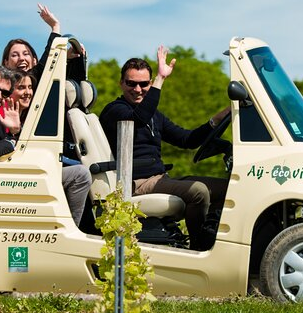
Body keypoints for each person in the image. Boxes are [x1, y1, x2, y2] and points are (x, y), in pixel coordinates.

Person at [99, 46, 230, 251]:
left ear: (148, 84)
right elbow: (138, 119)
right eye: (131, 83)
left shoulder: (154, 115)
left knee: (229, 189)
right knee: (198, 191)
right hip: (135, 183)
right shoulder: (115, 110)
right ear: (121, 83)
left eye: (144, 84)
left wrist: (220, 117)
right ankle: (199, 248)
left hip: (160, 178)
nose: (137, 89)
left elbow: (187, 139)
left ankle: (216, 237)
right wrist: (160, 78)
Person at [0, 65, 91, 227]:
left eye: (4, 93)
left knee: (78, 170)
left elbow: (6, 148)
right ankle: (70, 229)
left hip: (7, 177)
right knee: (80, 175)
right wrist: (10, 142)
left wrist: (13, 132)